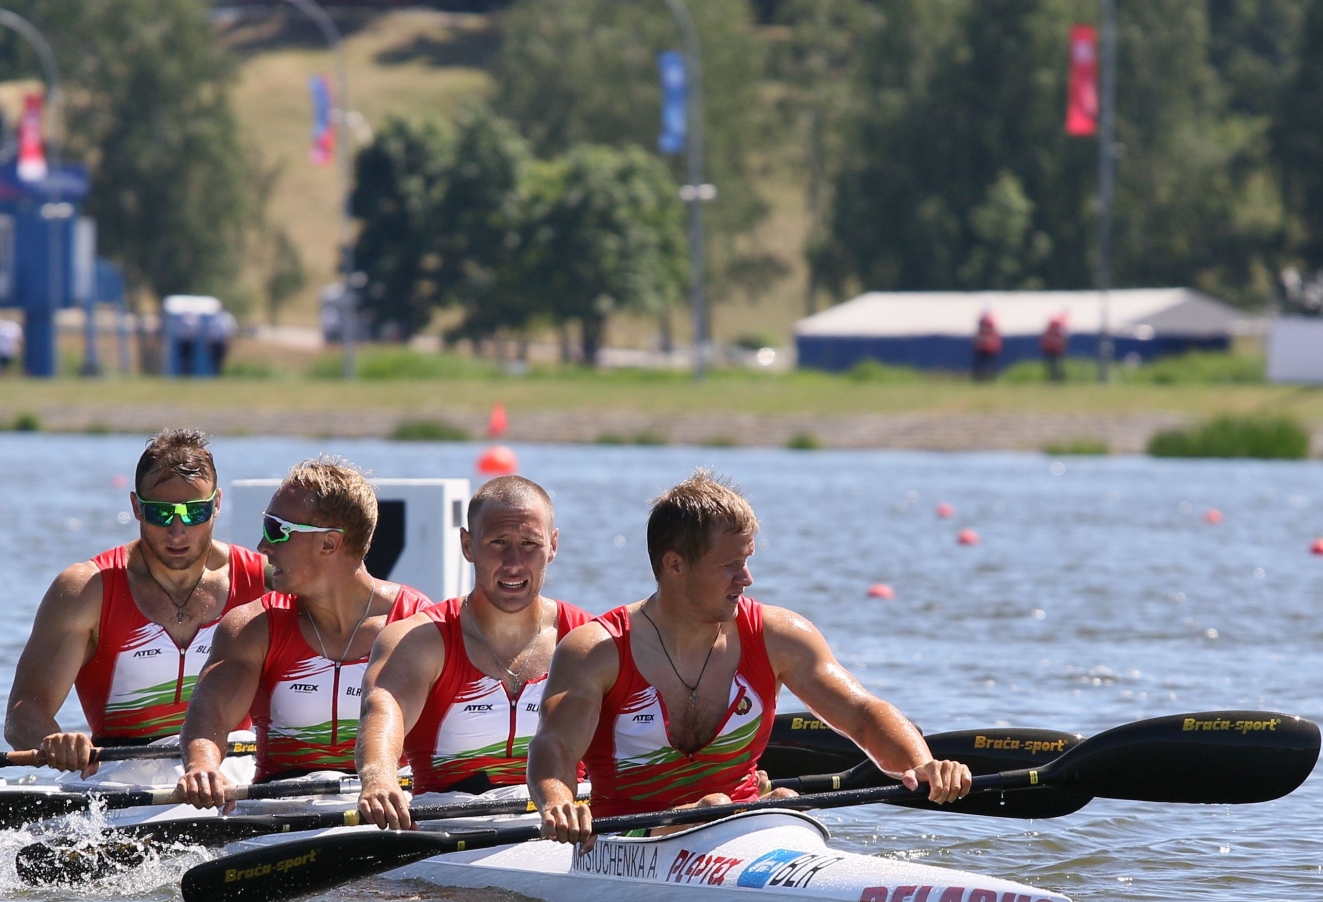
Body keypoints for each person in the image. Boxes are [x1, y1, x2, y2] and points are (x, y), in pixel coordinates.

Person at [527, 469, 970, 848]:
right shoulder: (596, 651)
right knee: (717, 807)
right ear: (675, 565)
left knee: (782, 804)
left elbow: (863, 715)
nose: (747, 578)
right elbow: (555, 745)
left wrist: (921, 763)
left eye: (747, 560)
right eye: (729, 565)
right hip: (627, 837)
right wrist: (557, 803)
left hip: (746, 829)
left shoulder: (779, 637)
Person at [3, 428, 263, 773]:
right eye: (161, 513)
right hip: (121, 775)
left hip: (229, 768)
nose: (177, 530)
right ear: (136, 507)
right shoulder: (86, 589)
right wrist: (54, 741)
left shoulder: (265, 582)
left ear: (216, 505)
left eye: (194, 512)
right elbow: (22, 714)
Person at [178, 456, 432, 804]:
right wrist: (203, 765)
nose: (262, 546)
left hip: (383, 805)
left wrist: (380, 779)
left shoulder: (417, 624)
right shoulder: (252, 627)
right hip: (281, 807)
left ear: (329, 543)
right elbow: (213, 711)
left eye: (276, 529)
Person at [355, 476, 590, 829]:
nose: (514, 563)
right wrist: (379, 779)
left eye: (530, 544)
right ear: (468, 545)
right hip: (451, 825)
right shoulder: (419, 640)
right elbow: (381, 711)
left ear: (553, 545)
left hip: (564, 824)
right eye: (498, 543)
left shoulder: (587, 640)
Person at [972, 309, 1002, 383]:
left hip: (987, 348)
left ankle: (985, 378)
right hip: (985, 348)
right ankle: (984, 378)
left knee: (987, 364)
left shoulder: (985, 326)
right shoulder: (988, 326)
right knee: (985, 365)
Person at [1041, 311, 1069, 383]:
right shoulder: (1058, 331)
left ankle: (1054, 379)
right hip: (1055, 350)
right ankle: (1057, 379)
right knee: (1056, 366)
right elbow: (1063, 340)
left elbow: (1044, 340)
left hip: (1051, 350)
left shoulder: (1049, 331)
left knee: (1052, 367)